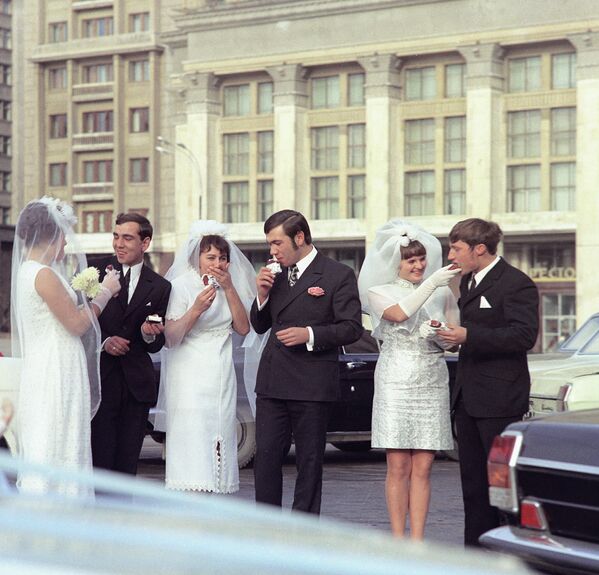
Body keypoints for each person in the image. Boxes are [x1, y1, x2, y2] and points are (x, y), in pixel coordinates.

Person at [250, 209, 363, 514]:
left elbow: (352, 328)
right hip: (273, 383)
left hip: (312, 385)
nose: (272, 251)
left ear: (299, 237)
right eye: (269, 244)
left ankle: (303, 529)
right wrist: (261, 295)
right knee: (267, 459)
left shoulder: (337, 274)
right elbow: (260, 325)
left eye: (277, 243)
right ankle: (266, 527)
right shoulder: (273, 274)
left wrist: (309, 334)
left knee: (309, 462)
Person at [438, 218, 539, 546]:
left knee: (502, 485)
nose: (451, 253)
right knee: (473, 485)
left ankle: (509, 552)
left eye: (456, 247)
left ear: (479, 249)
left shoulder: (516, 283)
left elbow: (524, 336)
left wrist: (470, 335)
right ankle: (475, 553)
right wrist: (456, 338)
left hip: (500, 399)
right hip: (468, 398)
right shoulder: (466, 282)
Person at [11, 197, 121, 495]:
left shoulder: (30, 271)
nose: (66, 246)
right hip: (55, 371)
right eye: (64, 237)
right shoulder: (43, 274)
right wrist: (105, 294)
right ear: (55, 235)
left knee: (54, 438)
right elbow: (76, 324)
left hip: (50, 366)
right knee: (57, 437)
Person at [358, 219, 460, 539]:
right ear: (396, 263)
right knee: (399, 465)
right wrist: (432, 284)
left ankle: (417, 540)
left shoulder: (442, 292)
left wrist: (440, 335)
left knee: (425, 466)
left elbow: (454, 339)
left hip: (431, 379)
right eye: (410, 260)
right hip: (396, 380)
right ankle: (398, 540)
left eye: (421, 259)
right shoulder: (379, 292)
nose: (418, 265)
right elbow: (399, 314)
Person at [154, 221, 255, 493]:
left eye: (223, 258)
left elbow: (243, 328)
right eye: (211, 257)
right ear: (196, 257)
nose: (218, 263)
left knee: (221, 428)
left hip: (220, 370)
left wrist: (231, 289)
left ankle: (217, 486)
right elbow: (172, 337)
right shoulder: (181, 286)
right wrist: (196, 309)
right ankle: (190, 489)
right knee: (193, 431)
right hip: (189, 371)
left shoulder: (228, 286)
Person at [91, 212, 171, 476]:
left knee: (127, 468)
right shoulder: (93, 273)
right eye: (116, 236)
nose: (119, 244)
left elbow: (155, 343)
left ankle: (123, 517)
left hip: (137, 388)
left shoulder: (160, 286)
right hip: (101, 384)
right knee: (99, 464)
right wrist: (104, 343)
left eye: (127, 238)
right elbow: (79, 326)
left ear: (145, 243)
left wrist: (149, 334)